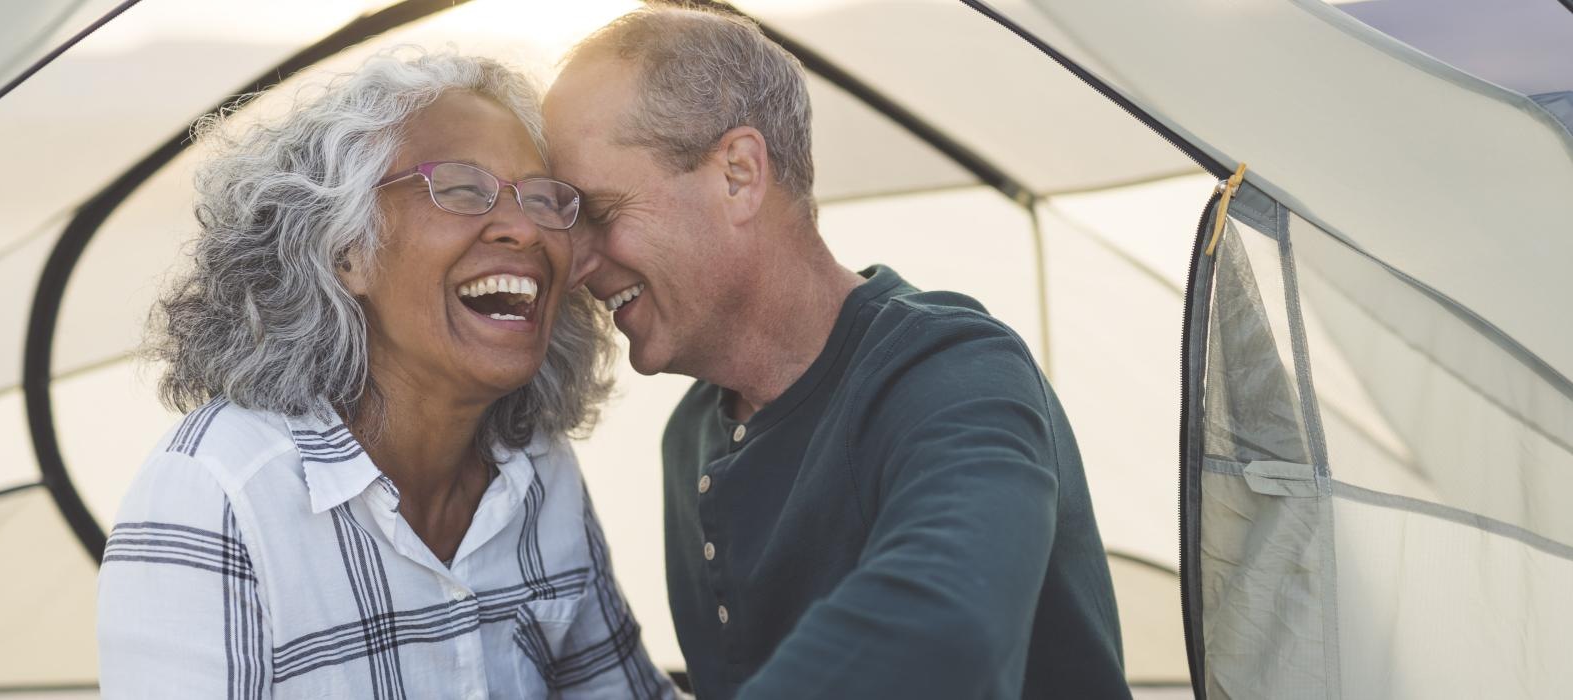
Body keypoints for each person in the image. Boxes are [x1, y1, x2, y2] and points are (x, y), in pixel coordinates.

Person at [544, 7, 1131, 699]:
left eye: (600, 212)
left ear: (738, 174)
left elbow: (947, 629)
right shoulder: (690, 439)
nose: (574, 262)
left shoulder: (954, 375)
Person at [96, 50, 674, 699]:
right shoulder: (216, 493)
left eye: (542, 199)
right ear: (348, 251)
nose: (523, 228)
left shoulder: (538, 468)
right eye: (460, 188)